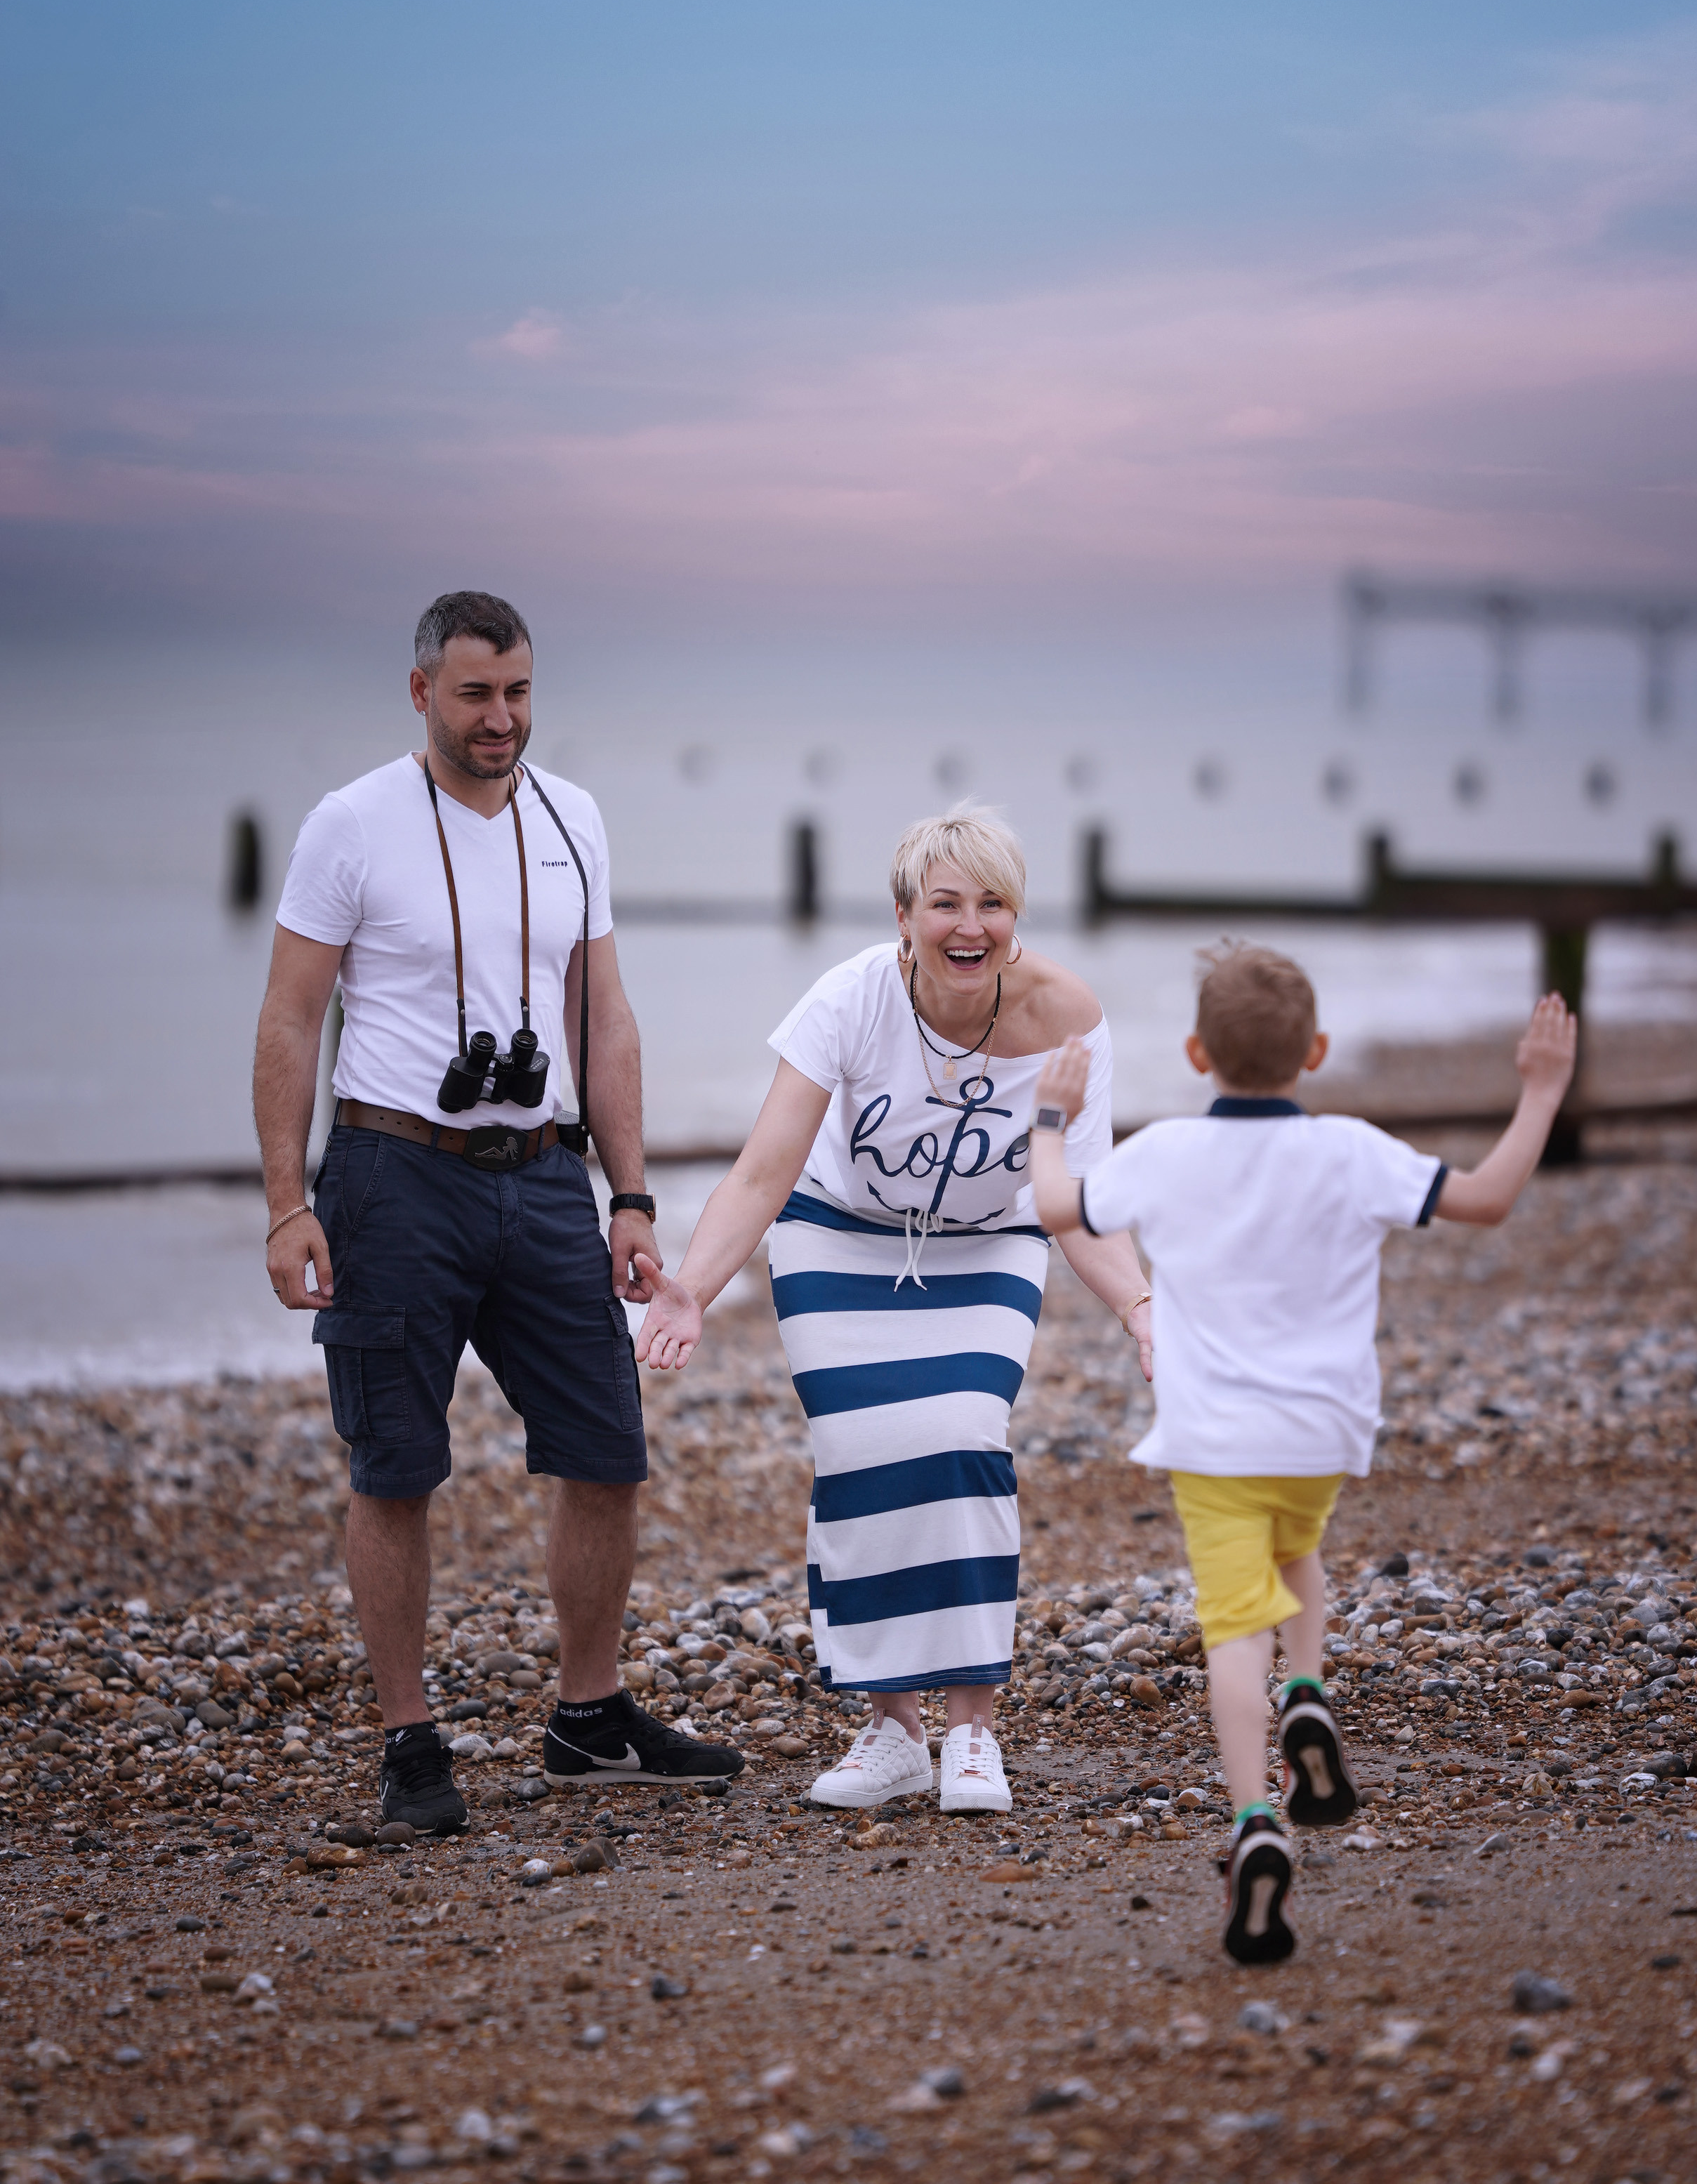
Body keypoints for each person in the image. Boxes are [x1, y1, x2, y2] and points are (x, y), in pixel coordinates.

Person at [253, 589, 744, 1832]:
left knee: (605, 1442)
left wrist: (629, 1194)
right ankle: (410, 1743)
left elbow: (604, 1014)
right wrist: (284, 1204)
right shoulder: (351, 824)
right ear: (421, 690)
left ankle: (588, 1716)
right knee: (397, 1465)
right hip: (390, 1174)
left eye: (518, 690)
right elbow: (290, 1019)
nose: (501, 717)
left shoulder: (570, 817)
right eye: (475, 693)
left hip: (540, 1173)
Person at [1029, 942, 1577, 1963]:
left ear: (1196, 1053)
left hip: (1211, 1439)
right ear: (1314, 1050)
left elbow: (1057, 1206)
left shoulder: (1163, 1152)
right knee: (1298, 1552)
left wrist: (1050, 1119)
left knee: (1234, 1625)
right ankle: (1309, 1692)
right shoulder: (1352, 1148)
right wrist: (1541, 1091)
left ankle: (1254, 1823)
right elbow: (1488, 1195)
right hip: (1320, 1433)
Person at [630, 809, 1153, 1815]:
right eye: (945, 903)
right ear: (903, 914)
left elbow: (1076, 1195)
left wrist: (1136, 1302)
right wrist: (694, 1282)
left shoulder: (1067, 1018)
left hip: (988, 1241)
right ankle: (891, 1730)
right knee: (859, 1453)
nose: (970, 925)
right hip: (838, 1236)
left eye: (991, 903)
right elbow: (765, 1169)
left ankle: (970, 1732)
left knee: (960, 1434)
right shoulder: (849, 1001)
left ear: (1017, 914)